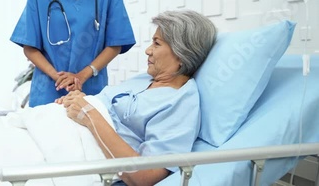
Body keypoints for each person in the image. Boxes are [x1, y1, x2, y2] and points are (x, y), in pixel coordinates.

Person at [56, 10, 218, 185]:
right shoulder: (144, 79)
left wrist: (90, 115)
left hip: (78, 151)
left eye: (157, 43)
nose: (148, 50)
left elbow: (145, 176)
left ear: (181, 54)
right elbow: (104, 107)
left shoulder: (180, 102)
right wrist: (79, 100)